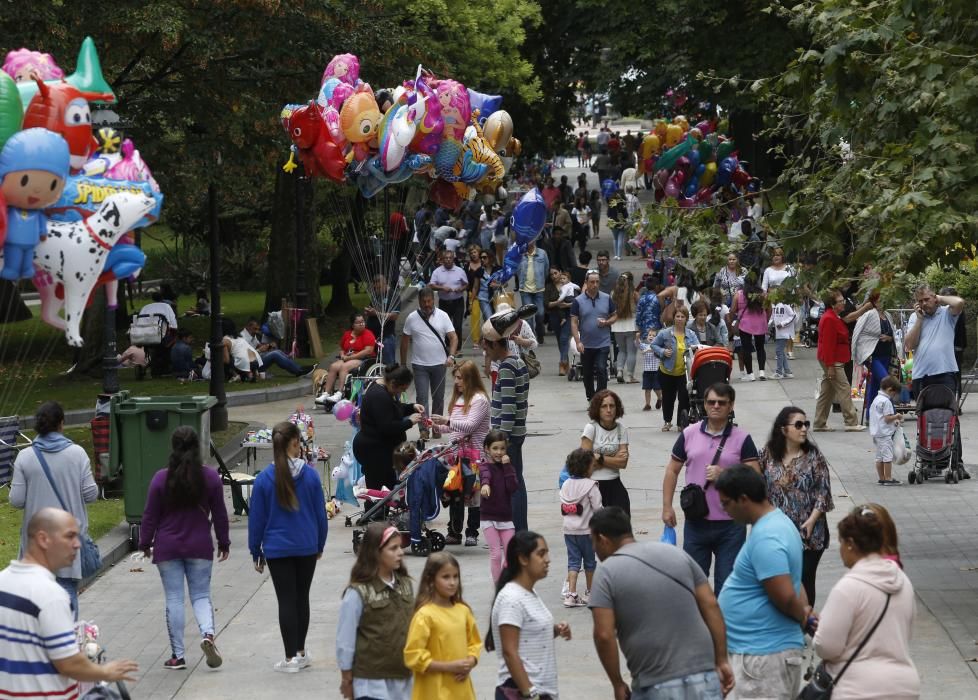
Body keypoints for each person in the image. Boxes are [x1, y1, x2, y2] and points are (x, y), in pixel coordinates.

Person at [589, 506, 734, 700]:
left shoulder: (606, 572)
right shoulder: (676, 554)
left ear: (603, 539)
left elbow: (604, 634)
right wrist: (722, 659)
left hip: (655, 685)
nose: (593, 548)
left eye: (593, 542)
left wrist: (617, 683)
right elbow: (710, 605)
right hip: (705, 677)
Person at [0, 508, 138, 695]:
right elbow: (68, 663)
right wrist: (105, 671)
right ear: (43, 539)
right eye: (70, 536)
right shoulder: (51, 595)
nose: (77, 544)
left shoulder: (4, 581)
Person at [139, 426, 230, 670]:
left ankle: (177, 656)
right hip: (200, 545)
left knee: (174, 599)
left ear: (173, 448)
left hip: (167, 547)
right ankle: (208, 635)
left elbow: (149, 515)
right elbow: (220, 514)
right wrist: (224, 542)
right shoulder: (210, 477)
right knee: (201, 596)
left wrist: (145, 543)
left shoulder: (161, 478)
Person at [715, 466, 808, 700]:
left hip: (762, 659)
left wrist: (805, 617)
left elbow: (786, 596)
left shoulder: (767, 536)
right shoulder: (778, 523)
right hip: (762, 654)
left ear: (743, 499)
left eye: (726, 503)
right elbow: (798, 584)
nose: (724, 510)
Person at [812, 506, 920, 699]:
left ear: (851, 544)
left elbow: (827, 646)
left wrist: (818, 630)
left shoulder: (849, 587)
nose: (841, 551)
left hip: (858, 687)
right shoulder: (902, 581)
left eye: (841, 543)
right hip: (903, 685)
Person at [662, 384, 760, 594]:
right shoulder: (689, 434)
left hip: (731, 526)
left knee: (726, 588)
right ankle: (700, 626)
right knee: (694, 586)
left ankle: (723, 627)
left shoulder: (742, 439)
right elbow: (672, 470)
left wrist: (725, 475)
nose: (716, 406)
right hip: (696, 523)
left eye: (722, 402)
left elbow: (756, 479)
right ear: (704, 405)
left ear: (730, 405)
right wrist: (667, 507)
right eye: (711, 402)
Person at [248, 421, 328, 672]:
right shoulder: (311, 476)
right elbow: (320, 516)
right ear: (295, 443)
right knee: (301, 598)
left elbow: (256, 520)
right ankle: (301, 652)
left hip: (276, 548)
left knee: (286, 600)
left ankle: (290, 657)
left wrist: (255, 550)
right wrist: (320, 544)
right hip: (306, 545)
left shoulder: (263, 479)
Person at [9, 401, 97, 616]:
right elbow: (91, 494)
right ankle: (67, 642)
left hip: (36, 543)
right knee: (67, 592)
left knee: (37, 599)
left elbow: (17, 500)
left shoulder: (25, 457)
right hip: (67, 541)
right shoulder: (77, 454)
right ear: (61, 424)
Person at [759, 407, 835, 605]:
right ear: (783, 429)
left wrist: (812, 520)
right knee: (780, 580)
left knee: (804, 579)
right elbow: (755, 484)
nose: (804, 429)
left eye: (806, 424)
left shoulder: (814, 457)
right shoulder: (767, 455)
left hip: (809, 533)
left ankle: (804, 624)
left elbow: (823, 492)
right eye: (798, 425)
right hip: (778, 532)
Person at [487, 532, 572, 700]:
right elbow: (510, 652)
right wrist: (530, 692)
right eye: (541, 554)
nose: (547, 559)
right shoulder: (511, 598)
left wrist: (555, 630)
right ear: (523, 559)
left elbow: (528, 634)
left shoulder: (528, 593)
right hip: (522, 692)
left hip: (538, 689)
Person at [337, 522, 415, 700]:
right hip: (371, 683)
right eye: (393, 548)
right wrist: (347, 677)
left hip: (404, 680)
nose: (400, 553)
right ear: (376, 552)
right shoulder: (357, 593)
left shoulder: (405, 585)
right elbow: (345, 639)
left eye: (400, 547)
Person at [403, 553, 481, 699]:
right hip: (434, 690)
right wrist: (449, 667)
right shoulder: (425, 615)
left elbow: (474, 643)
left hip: (460, 689)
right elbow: (412, 655)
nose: (452, 582)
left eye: (455, 576)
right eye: (446, 577)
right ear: (431, 580)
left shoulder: (463, 611)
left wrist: (470, 662)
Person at [431, 360, 490, 547]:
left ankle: (472, 531)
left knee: (473, 495)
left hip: (474, 454)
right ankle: (454, 532)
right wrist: (435, 425)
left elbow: (470, 426)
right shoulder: (459, 399)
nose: (456, 382)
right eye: (455, 377)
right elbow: (455, 429)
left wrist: (446, 421)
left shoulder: (479, 400)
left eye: (460, 378)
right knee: (455, 490)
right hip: (455, 454)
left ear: (470, 378)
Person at [483, 317, 530, 532]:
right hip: (516, 433)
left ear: (495, 344)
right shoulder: (518, 362)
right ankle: (518, 529)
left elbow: (509, 407)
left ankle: (518, 531)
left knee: (513, 485)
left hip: (509, 436)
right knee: (517, 479)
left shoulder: (506, 368)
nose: (486, 353)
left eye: (487, 348)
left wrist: (501, 441)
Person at [353, 365, 425, 489]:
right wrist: (410, 422)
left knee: (387, 486)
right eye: (402, 389)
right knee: (379, 489)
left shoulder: (384, 390)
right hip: (374, 451)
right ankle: (376, 509)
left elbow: (394, 409)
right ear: (393, 383)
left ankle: (382, 507)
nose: (401, 392)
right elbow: (386, 427)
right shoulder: (379, 396)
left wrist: (411, 407)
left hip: (381, 450)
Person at [401, 287, 458, 434]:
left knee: (438, 398)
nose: (427, 304)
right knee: (422, 398)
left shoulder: (443, 316)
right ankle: (424, 429)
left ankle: (437, 428)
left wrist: (451, 356)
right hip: (419, 365)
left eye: (429, 301)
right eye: (423, 301)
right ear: (419, 302)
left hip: (440, 364)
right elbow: (404, 342)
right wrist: (402, 364)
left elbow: (453, 337)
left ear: (434, 300)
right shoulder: (411, 317)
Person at [814, 289, 866, 432]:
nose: (843, 303)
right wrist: (830, 366)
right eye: (840, 301)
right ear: (832, 304)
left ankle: (819, 423)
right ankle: (851, 421)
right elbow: (829, 345)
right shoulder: (830, 318)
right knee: (844, 388)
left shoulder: (834, 316)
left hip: (834, 359)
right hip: (833, 360)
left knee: (827, 392)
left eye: (843, 300)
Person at [904, 283, 965, 398]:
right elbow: (909, 345)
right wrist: (919, 320)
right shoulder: (915, 317)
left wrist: (940, 298)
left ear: (935, 298)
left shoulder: (947, 313)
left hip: (945, 373)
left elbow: (959, 302)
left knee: (947, 414)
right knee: (924, 416)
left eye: (927, 299)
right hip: (921, 375)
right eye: (920, 301)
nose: (924, 303)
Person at [559, 448, 602, 608]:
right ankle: (590, 592)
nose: (594, 468)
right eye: (593, 465)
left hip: (569, 531)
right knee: (590, 562)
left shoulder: (566, 485)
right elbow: (597, 508)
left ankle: (571, 594)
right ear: (586, 467)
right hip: (587, 531)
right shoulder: (591, 486)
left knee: (573, 562)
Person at [580, 389, 631, 514]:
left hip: (615, 484)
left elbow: (623, 463)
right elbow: (585, 462)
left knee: (621, 527)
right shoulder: (591, 428)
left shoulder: (621, 430)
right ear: (597, 409)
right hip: (593, 485)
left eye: (612, 406)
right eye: (604, 406)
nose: (608, 410)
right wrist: (613, 458)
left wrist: (599, 458)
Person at [571, 270, 618, 403]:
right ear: (586, 283)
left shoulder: (606, 298)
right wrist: (578, 341)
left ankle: (600, 397)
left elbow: (615, 315)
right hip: (586, 344)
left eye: (597, 282)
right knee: (587, 373)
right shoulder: (578, 301)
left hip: (603, 342)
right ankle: (591, 397)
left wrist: (607, 322)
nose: (595, 285)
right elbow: (574, 323)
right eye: (592, 282)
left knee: (602, 369)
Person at [851, 291, 899, 422]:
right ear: (874, 301)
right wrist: (859, 353)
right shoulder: (868, 315)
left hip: (886, 355)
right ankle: (892, 413)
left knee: (875, 384)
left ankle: (870, 416)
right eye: (879, 300)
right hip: (873, 356)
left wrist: (889, 338)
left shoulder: (888, 315)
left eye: (884, 300)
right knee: (887, 381)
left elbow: (893, 334)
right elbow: (858, 334)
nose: (882, 303)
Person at [478, 430, 519, 583]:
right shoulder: (484, 466)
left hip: (506, 517)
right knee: (496, 554)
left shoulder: (509, 467)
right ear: (486, 449)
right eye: (495, 448)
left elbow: (513, 487)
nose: (499, 452)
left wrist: (507, 466)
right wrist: (485, 486)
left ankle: (505, 582)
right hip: (488, 517)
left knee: (510, 556)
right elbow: (485, 476)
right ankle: (498, 587)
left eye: (502, 448)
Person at [651, 306, 700, 431]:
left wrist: (694, 350)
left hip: (684, 373)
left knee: (684, 398)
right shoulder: (665, 333)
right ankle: (667, 421)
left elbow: (698, 347)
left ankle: (681, 423)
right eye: (677, 316)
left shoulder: (691, 334)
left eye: (682, 317)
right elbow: (653, 345)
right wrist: (663, 351)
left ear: (686, 319)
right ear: (673, 318)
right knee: (668, 398)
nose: (679, 319)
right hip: (666, 371)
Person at [317, 313, 378, 403]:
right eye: (358, 322)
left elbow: (368, 351)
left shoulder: (368, 334)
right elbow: (342, 348)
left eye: (363, 322)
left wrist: (350, 357)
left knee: (344, 367)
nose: (362, 324)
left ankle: (340, 392)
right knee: (333, 366)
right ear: (353, 325)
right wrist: (342, 355)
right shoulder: (347, 334)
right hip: (346, 358)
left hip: (362, 359)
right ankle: (326, 393)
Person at [730, 272, 769, 381]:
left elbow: (732, 310)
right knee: (760, 347)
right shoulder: (763, 294)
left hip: (745, 324)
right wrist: (766, 320)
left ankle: (750, 374)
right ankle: (762, 372)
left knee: (746, 348)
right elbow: (769, 309)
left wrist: (732, 321)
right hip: (760, 323)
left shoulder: (739, 294)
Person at [240, 318, 312, 377]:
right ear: (248, 327)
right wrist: (259, 350)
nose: (256, 331)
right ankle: (299, 371)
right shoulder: (243, 338)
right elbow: (245, 358)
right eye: (254, 329)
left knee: (277, 351)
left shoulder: (251, 334)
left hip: (257, 358)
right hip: (250, 365)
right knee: (275, 354)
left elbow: (258, 345)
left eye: (257, 329)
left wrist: (268, 346)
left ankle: (298, 368)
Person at [428, 249, 469, 343]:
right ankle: (446, 346)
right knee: (445, 325)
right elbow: (431, 285)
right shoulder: (437, 272)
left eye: (450, 258)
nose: (448, 260)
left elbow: (466, 284)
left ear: (453, 259)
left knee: (457, 325)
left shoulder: (460, 270)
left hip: (458, 302)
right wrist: (442, 288)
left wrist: (461, 289)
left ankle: (457, 347)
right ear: (442, 259)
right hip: (444, 302)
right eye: (446, 258)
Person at [869, 376, 904, 485]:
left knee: (879, 457)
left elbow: (880, 418)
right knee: (887, 457)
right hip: (885, 434)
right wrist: (897, 416)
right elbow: (887, 418)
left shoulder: (876, 399)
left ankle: (882, 477)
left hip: (876, 433)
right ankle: (888, 478)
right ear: (890, 390)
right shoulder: (886, 401)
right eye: (894, 394)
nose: (894, 396)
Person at [365, 273, 401, 367]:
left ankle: (391, 381)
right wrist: (369, 312)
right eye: (375, 288)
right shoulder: (376, 295)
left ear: (385, 284)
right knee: (374, 364)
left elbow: (394, 316)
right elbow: (373, 309)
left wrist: (375, 313)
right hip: (373, 337)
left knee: (388, 365)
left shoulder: (393, 296)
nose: (377, 290)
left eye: (379, 287)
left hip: (386, 337)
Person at [517, 241, 549, 340]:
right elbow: (516, 269)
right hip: (525, 289)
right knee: (528, 316)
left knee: (540, 314)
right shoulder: (520, 253)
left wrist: (541, 280)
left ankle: (540, 331)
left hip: (539, 288)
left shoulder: (542, 253)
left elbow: (546, 269)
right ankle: (531, 337)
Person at [610, 273, 639, 383]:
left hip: (617, 326)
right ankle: (630, 376)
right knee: (632, 352)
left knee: (622, 350)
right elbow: (639, 308)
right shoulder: (634, 294)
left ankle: (619, 371)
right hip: (631, 325)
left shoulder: (613, 294)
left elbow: (610, 308)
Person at [545, 268, 574, 376]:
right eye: (551, 274)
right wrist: (558, 302)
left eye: (556, 273)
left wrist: (566, 305)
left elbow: (576, 300)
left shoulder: (569, 285)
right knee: (560, 341)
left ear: (561, 272)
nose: (554, 276)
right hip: (555, 316)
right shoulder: (549, 287)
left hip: (568, 315)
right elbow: (547, 304)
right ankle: (566, 363)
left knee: (564, 338)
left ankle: (562, 363)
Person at [769, 300, 796, 378]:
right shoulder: (774, 304)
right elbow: (772, 317)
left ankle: (779, 372)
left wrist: (782, 324)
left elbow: (793, 315)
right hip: (778, 332)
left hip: (785, 332)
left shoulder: (785, 304)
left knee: (778, 351)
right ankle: (787, 372)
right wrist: (768, 327)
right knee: (781, 352)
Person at [638, 328, 663, 412]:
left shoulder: (658, 346)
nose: (651, 337)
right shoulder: (645, 345)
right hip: (647, 371)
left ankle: (660, 398)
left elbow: (655, 350)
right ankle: (647, 404)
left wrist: (649, 350)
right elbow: (638, 345)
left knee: (657, 388)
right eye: (649, 335)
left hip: (656, 371)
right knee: (647, 388)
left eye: (653, 335)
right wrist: (637, 338)